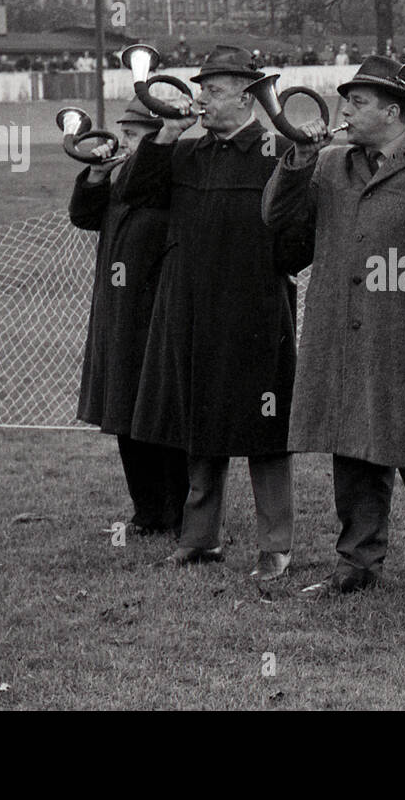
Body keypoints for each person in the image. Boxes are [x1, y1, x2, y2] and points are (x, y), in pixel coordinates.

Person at [261, 56, 405, 610]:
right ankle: (358, 563)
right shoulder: (327, 164)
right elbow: (278, 220)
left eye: (357, 101)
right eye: (345, 100)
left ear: (394, 111)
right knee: (351, 450)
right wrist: (297, 160)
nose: (344, 110)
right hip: (341, 332)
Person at [120, 45, 307, 581]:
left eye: (215, 90)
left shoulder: (275, 150)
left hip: (255, 308)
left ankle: (277, 546)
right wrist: (168, 135)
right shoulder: (186, 151)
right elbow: (133, 191)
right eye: (202, 89)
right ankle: (199, 540)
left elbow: (298, 231)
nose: (201, 99)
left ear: (248, 96)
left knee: (266, 432)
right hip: (191, 308)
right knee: (198, 424)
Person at [68, 98, 188, 537]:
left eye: (134, 134)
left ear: (157, 137)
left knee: (161, 416)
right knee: (124, 414)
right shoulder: (123, 178)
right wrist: (96, 174)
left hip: (157, 314)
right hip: (119, 314)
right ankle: (147, 512)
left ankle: (180, 512)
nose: (123, 142)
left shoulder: (172, 174)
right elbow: (83, 216)